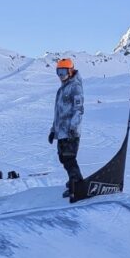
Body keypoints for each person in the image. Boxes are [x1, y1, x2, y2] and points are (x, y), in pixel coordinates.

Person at [48, 58, 84, 198]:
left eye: (63, 71)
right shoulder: (62, 89)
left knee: (69, 158)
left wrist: (73, 128)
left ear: (70, 71)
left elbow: (79, 109)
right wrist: (53, 131)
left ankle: (77, 184)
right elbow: (58, 113)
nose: (61, 75)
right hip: (61, 132)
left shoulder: (75, 87)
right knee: (63, 158)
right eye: (58, 71)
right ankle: (72, 179)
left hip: (70, 132)